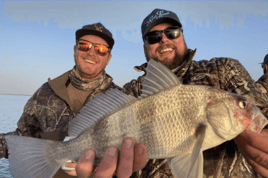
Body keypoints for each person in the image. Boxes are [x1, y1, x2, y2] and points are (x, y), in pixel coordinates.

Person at [73, 9, 268, 178]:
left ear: (182, 35)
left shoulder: (224, 68)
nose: (164, 40)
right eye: (154, 37)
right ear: (145, 46)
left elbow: (262, 112)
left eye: (172, 32)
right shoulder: (131, 92)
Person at [0, 22, 147, 178]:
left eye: (101, 50)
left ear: (108, 58)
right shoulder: (45, 92)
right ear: (75, 49)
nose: (92, 52)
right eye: (84, 45)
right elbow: (22, 139)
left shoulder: (121, 101)